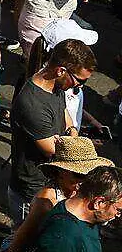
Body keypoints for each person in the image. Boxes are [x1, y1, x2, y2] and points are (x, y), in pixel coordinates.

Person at [10, 36, 91, 219]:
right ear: (61, 70)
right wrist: (74, 140)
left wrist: (71, 133)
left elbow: (66, 117)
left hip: (50, 183)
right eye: (80, 80)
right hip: (33, 190)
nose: (80, 86)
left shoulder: (56, 87)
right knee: (25, 243)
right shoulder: (32, 103)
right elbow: (53, 150)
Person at [12, 134, 112, 252]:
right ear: (61, 171)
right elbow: (22, 239)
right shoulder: (47, 201)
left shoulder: (85, 188)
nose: (85, 181)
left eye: (91, 175)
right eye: (79, 175)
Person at [34, 165, 122, 252]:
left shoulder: (90, 219)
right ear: (98, 203)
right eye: (118, 210)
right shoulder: (63, 235)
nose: (118, 215)